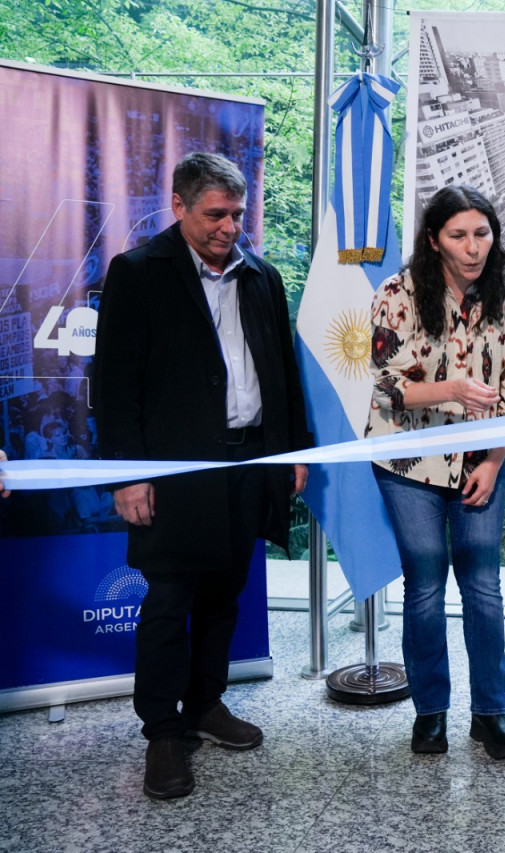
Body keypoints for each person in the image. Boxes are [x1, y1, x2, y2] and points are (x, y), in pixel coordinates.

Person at [93, 151, 313, 800]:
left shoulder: (262, 277)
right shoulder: (137, 274)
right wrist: (130, 477)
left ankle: (206, 704)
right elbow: (115, 387)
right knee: (168, 602)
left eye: (238, 214)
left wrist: (295, 450)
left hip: (250, 464)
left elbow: (283, 372)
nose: (228, 226)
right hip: (174, 474)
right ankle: (163, 731)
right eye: (215, 214)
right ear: (180, 206)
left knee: (225, 593)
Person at [366, 185, 505, 762]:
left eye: (482, 233)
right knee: (425, 585)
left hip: (481, 463)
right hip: (407, 459)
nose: (473, 248)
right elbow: (387, 385)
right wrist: (453, 391)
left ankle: (490, 713)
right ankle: (429, 712)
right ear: (434, 240)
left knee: (483, 588)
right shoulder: (399, 292)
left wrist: (493, 462)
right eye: (459, 236)